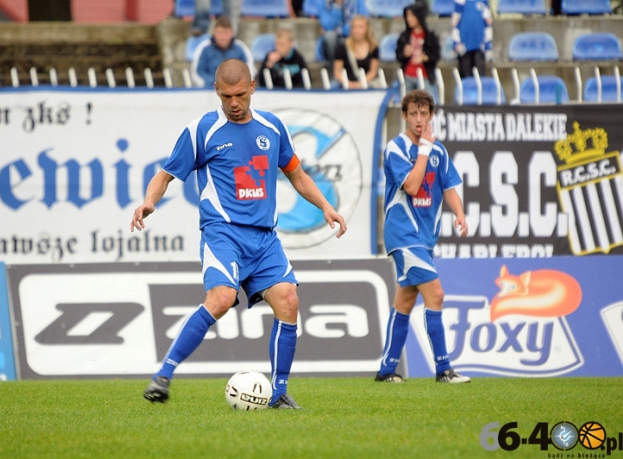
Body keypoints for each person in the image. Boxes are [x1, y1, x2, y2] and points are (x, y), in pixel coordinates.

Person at [131, 59, 348, 408]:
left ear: (253, 87)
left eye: (240, 94)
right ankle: (163, 376)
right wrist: (148, 201)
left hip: (264, 239)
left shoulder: (272, 128)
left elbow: (297, 175)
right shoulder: (202, 130)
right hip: (223, 234)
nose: (234, 103)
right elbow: (165, 174)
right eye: (227, 95)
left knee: (289, 300)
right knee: (220, 299)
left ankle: (278, 394)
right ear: (217, 90)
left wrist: (326, 206)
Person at [375, 89, 471, 384]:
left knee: (404, 302)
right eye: (413, 114)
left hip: (424, 238)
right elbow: (414, 187)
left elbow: (448, 187)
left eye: (424, 113)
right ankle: (444, 369)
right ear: (404, 116)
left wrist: (459, 213)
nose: (419, 119)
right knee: (436, 294)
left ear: (431, 115)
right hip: (403, 235)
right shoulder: (396, 149)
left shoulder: (438, 152)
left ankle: (387, 370)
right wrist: (425, 150)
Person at [191, 16, 255, 88]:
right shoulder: (204, 48)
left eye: (226, 33)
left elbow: (249, 70)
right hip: (209, 90)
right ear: (214, 32)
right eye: (220, 33)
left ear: (232, 32)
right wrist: (214, 84)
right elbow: (197, 72)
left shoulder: (241, 48)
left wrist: (236, 85)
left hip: (236, 89)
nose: (223, 37)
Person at [396, 1, 441, 94]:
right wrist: (404, 54)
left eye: (412, 16)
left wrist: (426, 58)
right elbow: (398, 55)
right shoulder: (404, 36)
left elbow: (436, 55)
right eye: (407, 16)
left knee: (427, 100)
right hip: (408, 75)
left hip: (424, 75)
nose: (409, 19)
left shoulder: (430, 36)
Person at [332, 15, 381, 89]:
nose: (357, 30)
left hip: (367, 82)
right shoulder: (342, 47)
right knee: (333, 86)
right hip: (346, 82)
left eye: (360, 27)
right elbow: (337, 72)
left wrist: (361, 84)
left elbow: (373, 72)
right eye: (354, 27)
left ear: (367, 29)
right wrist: (348, 83)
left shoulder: (373, 47)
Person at [316, 0, 368, 66]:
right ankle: (335, 72)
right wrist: (338, 5)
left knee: (359, 31)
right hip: (333, 42)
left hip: (352, 36)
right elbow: (328, 26)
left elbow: (363, 20)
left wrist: (340, 30)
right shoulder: (322, 2)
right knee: (330, 36)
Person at [451, 0, 493, 78]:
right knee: (465, 77)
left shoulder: (483, 3)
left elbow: (488, 25)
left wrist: (487, 46)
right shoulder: (460, 4)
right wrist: (456, 43)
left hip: (479, 47)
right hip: (464, 48)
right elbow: (455, 25)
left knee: (480, 77)